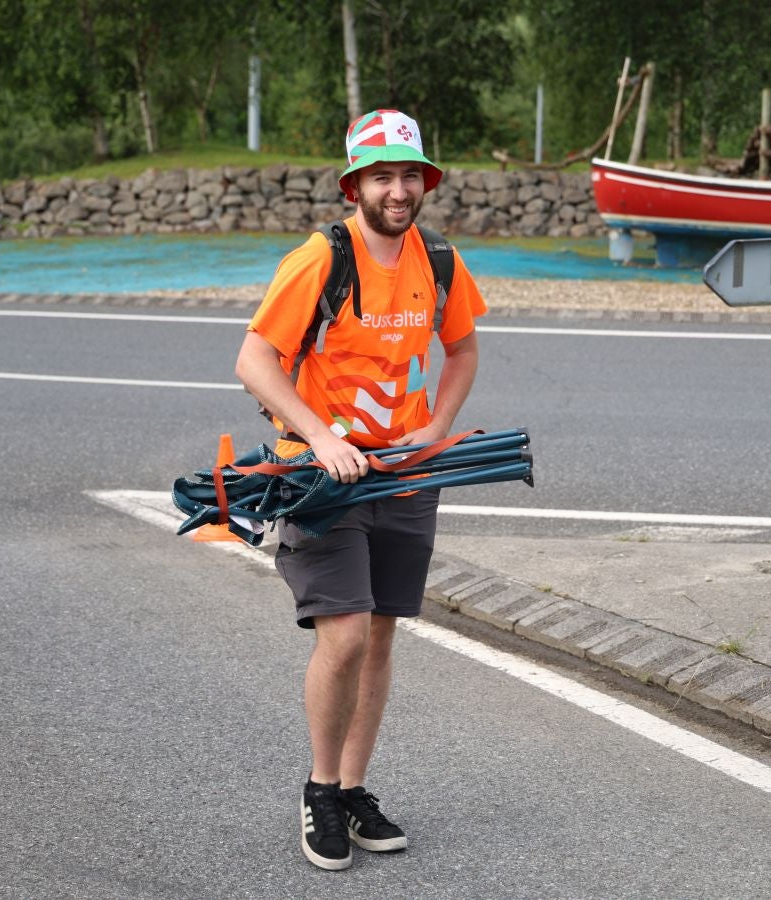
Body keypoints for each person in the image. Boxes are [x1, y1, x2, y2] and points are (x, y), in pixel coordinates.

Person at [235, 108, 487, 871]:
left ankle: (351, 789)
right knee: (343, 635)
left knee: (379, 636)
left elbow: (463, 349)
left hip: (405, 477)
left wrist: (435, 426)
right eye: (383, 177)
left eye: (410, 175)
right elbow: (254, 360)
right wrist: (320, 437)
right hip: (320, 479)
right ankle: (319, 790)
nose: (399, 190)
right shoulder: (321, 257)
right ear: (355, 186)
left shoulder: (438, 259)